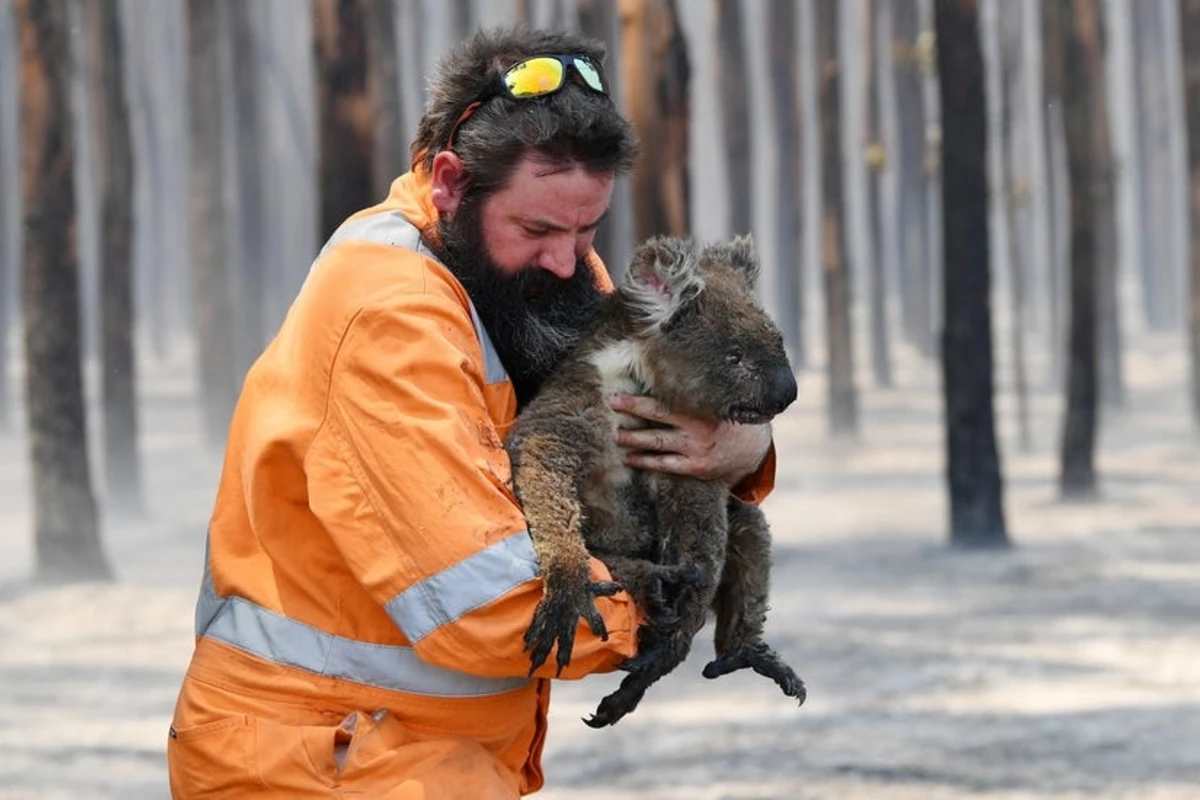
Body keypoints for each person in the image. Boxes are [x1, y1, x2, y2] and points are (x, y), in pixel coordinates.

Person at [167, 26, 777, 799]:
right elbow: (485, 603)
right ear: (451, 183)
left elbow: (653, 417)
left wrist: (742, 449)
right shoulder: (390, 316)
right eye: (540, 229)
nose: (571, 258)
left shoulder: (527, 272)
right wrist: (668, 604)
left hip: (412, 753)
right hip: (317, 762)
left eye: (589, 228)